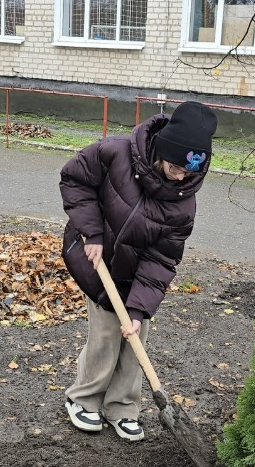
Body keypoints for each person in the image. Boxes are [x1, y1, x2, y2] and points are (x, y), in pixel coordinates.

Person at [59, 100, 218, 441]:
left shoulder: (183, 202)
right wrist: (93, 231)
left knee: (135, 333)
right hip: (96, 256)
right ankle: (83, 399)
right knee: (105, 331)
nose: (181, 176)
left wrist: (138, 308)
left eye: (189, 172)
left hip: (138, 271)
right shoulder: (114, 153)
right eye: (175, 167)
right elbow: (74, 179)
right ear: (161, 151)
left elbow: (162, 259)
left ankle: (122, 407)